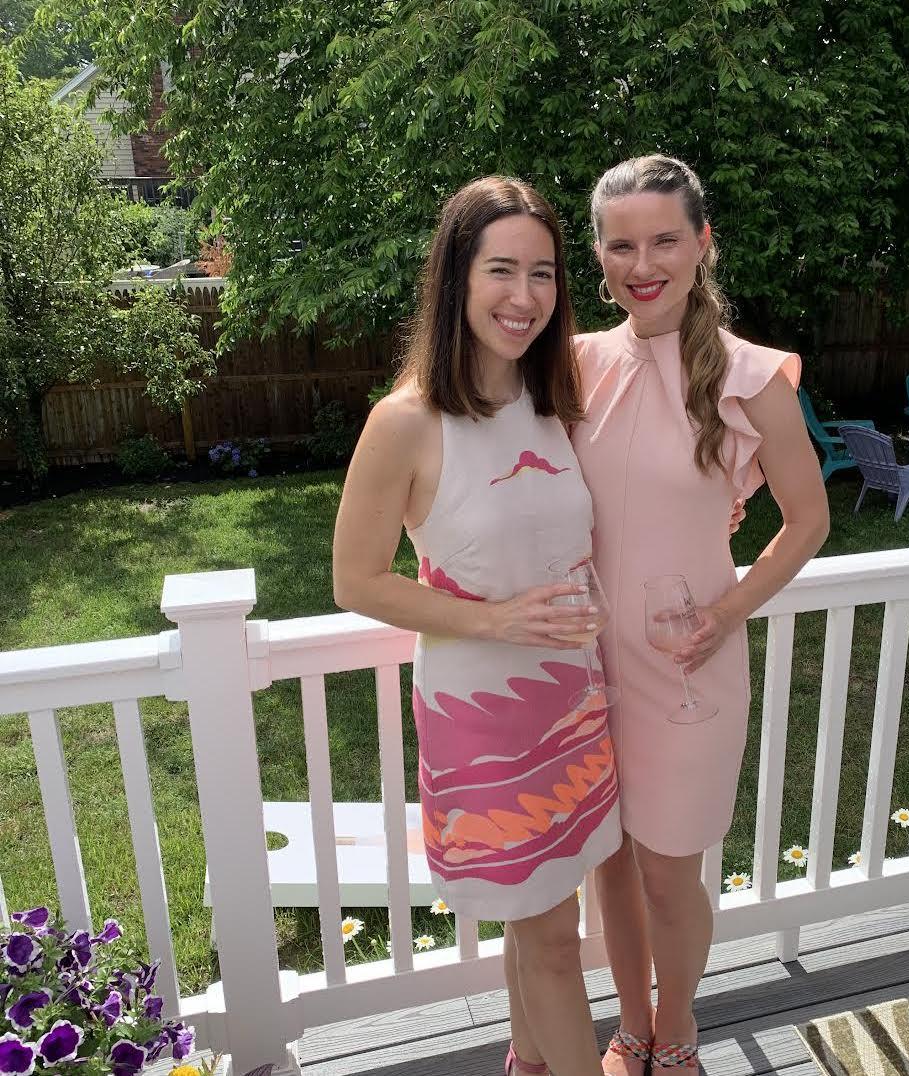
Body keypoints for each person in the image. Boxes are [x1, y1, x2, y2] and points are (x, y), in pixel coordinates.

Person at [332, 176, 623, 1076]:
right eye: (501, 269)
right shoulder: (406, 421)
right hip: (484, 723)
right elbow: (354, 580)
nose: (524, 295)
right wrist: (494, 617)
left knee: (544, 919)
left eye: (543, 272)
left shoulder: (553, 397)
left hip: (573, 703)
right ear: (456, 277)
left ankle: (528, 1063)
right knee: (550, 939)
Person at [573, 154, 831, 1074]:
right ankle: (629, 1024)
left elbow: (809, 520)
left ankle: (677, 1028)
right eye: (621, 246)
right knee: (609, 864)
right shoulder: (573, 364)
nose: (643, 264)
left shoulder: (751, 378)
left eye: (665, 241)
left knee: (670, 870)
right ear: (599, 256)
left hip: (688, 668)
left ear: (702, 243)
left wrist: (727, 613)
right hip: (582, 670)